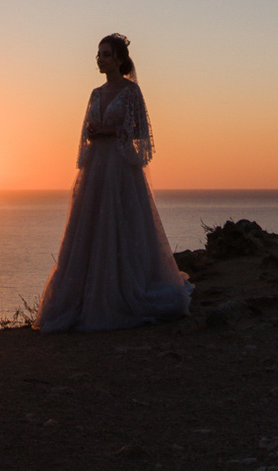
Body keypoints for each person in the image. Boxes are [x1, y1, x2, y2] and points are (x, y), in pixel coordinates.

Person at [39, 33, 190, 332]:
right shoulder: (95, 93)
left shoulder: (131, 92)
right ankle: (84, 299)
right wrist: (94, 133)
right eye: (98, 54)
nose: (100, 59)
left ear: (119, 59)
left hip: (119, 168)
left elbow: (141, 135)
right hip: (96, 167)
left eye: (106, 54)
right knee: (91, 226)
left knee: (121, 224)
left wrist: (110, 132)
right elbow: (86, 132)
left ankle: (123, 294)